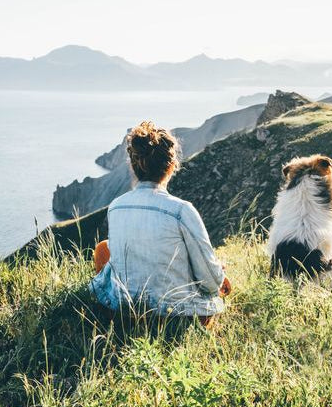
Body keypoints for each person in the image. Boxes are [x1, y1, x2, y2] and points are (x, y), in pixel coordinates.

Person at [89, 121, 231, 328]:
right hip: (179, 317)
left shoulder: (116, 207)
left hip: (125, 311)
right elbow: (209, 282)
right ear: (172, 166)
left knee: (103, 248)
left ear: (134, 165)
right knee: (216, 274)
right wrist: (220, 273)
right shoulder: (182, 211)